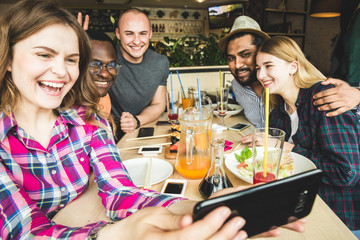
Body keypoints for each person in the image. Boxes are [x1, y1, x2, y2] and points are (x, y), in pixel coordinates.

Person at [0, 1, 305, 239]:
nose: (62, 71)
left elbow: (118, 191)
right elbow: (23, 229)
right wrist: (109, 234)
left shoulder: (90, 122)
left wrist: (190, 209)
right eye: (43, 55)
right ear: (9, 57)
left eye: (71, 59)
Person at [255, 36, 360, 234]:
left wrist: (289, 149)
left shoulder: (324, 97)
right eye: (258, 68)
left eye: (268, 66)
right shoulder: (277, 114)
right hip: (301, 207)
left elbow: (347, 173)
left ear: (293, 67)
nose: (261, 74)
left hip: (340, 217)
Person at [218, 16, 360, 127]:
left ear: (262, 51)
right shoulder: (238, 85)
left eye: (245, 54)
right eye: (231, 58)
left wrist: (357, 95)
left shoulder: (293, 89)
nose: (237, 65)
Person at [109, 8, 169, 140]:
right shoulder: (107, 59)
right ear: (118, 34)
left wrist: (136, 120)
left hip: (143, 132)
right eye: (129, 34)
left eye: (142, 33)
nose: (137, 41)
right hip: (110, 137)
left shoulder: (161, 62)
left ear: (150, 33)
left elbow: (158, 104)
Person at [87, 29, 120, 116]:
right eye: (94, 64)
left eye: (111, 65)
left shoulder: (103, 100)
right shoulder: (59, 108)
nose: (105, 74)